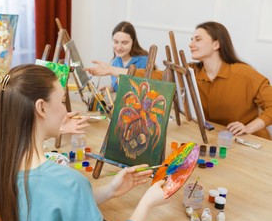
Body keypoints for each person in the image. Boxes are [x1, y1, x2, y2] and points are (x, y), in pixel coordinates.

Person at [0, 64, 169, 221]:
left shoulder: (0, 165)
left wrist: (110, 190)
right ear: (41, 108)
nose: (66, 110)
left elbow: (57, 210)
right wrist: (147, 203)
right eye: (62, 101)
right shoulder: (69, 184)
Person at [86, 21, 272, 140]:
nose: (191, 43)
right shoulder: (190, 71)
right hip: (216, 140)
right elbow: (156, 75)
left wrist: (248, 127)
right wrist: (113, 70)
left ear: (216, 44)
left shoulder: (244, 74)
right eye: (191, 39)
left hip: (249, 143)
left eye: (198, 39)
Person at [90, 21, 149, 92]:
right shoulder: (115, 62)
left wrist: (111, 70)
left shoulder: (144, 62)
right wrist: (110, 88)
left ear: (133, 42)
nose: (118, 47)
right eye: (116, 42)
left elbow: (141, 90)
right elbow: (118, 87)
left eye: (124, 43)